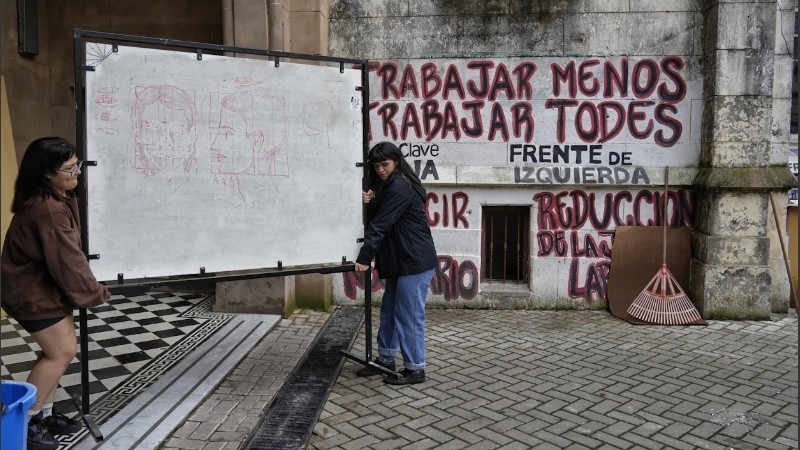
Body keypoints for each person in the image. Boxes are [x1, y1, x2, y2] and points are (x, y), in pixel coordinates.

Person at [1, 137, 110, 450]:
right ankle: (28, 421)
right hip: (30, 292)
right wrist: (95, 293)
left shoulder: (56, 196)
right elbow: (68, 260)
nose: (76, 172)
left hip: (43, 288)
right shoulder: (47, 209)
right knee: (60, 352)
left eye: (77, 165)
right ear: (46, 173)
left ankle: (44, 413)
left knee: (56, 353)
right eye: (68, 169)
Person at [354, 142, 437, 385]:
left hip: (415, 261)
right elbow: (377, 219)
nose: (380, 170)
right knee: (390, 311)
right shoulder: (388, 187)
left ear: (397, 161)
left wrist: (363, 257)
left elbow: (381, 225)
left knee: (409, 315)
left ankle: (415, 369)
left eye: (385, 164)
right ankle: (386, 359)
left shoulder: (399, 186)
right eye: (376, 166)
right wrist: (370, 202)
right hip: (400, 260)